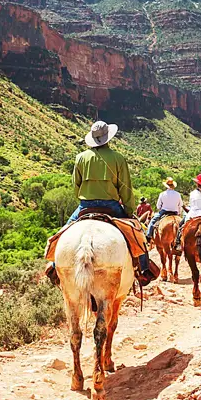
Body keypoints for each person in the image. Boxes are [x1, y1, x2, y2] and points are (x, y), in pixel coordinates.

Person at [46, 120, 152, 283]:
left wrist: (85, 197)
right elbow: (126, 189)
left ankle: (53, 265)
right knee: (138, 234)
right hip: (112, 205)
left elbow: (76, 186)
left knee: (63, 232)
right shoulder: (118, 158)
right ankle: (144, 270)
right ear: (108, 138)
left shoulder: (80, 158)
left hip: (85, 205)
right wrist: (130, 211)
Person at [146, 177, 183, 242]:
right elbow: (180, 205)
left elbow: (158, 206)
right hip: (175, 212)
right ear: (173, 186)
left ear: (166, 186)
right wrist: (179, 213)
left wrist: (161, 208)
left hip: (164, 212)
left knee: (152, 221)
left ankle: (148, 236)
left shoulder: (162, 194)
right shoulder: (178, 194)